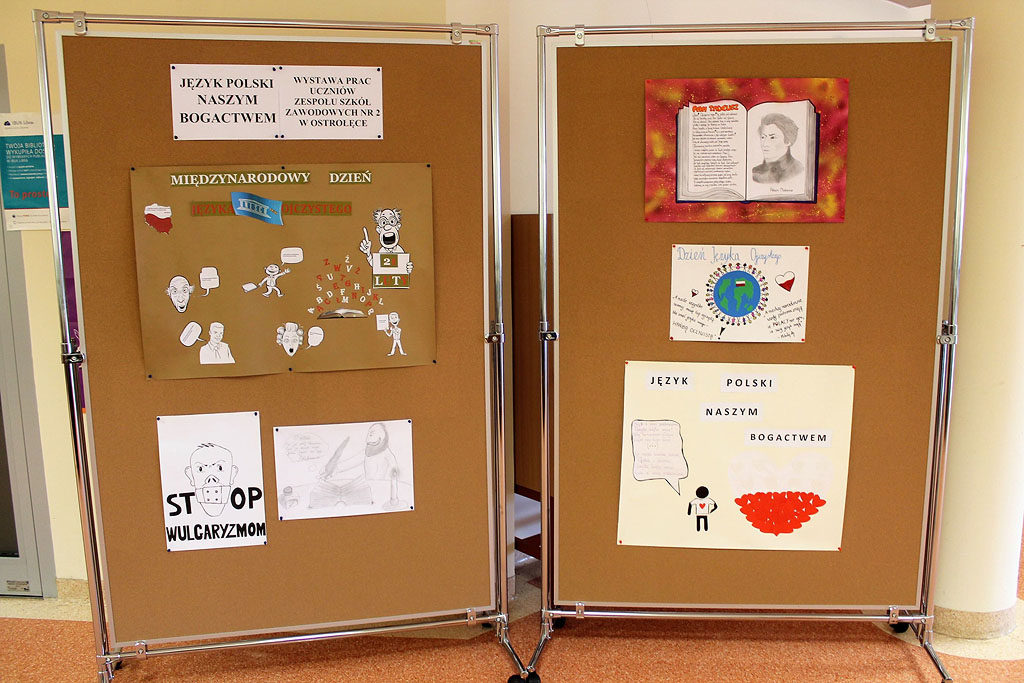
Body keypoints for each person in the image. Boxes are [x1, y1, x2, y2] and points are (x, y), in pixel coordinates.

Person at [751, 112, 803, 184]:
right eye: (763, 137)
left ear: (788, 141)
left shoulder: (799, 170)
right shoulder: (755, 173)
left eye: (772, 137)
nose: (765, 144)